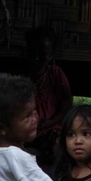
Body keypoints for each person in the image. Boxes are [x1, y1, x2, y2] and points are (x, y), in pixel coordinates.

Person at [24, 27, 72, 166]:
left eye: (43, 53)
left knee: (58, 144)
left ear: (50, 56)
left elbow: (66, 105)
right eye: (33, 52)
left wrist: (49, 123)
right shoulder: (21, 76)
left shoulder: (55, 74)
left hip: (50, 128)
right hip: (25, 129)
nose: (37, 58)